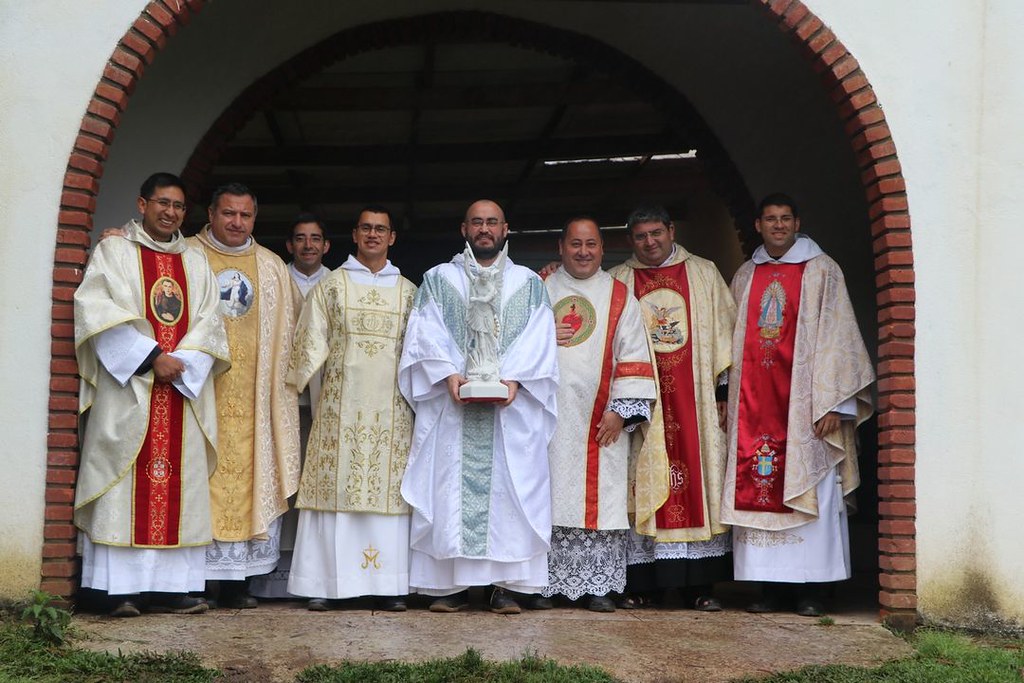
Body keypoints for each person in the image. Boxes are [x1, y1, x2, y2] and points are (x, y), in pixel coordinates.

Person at [73, 172, 229, 617]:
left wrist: (182, 363)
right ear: (143, 204)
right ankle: (119, 590)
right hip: (130, 392)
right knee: (123, 486)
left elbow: (210, 322)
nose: (171, 212)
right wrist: (149, 358)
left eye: (179, 206)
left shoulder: (195, 260)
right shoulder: (115, 251)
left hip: (182, 390)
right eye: (163, 203)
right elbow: (95, 310)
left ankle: (172, 589)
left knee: (180, 486)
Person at [398, 199, 559, 614]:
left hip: (511, 409)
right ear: (463, 229)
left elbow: (540, 340)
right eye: (477, 223)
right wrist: (448, 374)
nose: (484, 229)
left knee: (511, 494)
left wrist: (516, 381)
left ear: (506, 229)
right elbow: (424, 336)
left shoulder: (529, 283)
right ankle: (447, 587)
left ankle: (506, 587)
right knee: (448, 491)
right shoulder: (438, 279)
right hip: (454, 408)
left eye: (492, 222)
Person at [720, 192, 874, 617]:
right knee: (758, 485)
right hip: (754, 406)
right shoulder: (746, 275)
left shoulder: (822, 270)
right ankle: (768, 590)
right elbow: (729, 341)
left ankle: (814, 591)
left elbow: (839, 337)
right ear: (758, 225)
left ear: (797, 222)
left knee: (813, 489)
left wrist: (834, 404)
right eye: (770, 219)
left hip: (806, 410)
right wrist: (724, 395)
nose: (778, 226)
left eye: (786, 219)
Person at [287, 206, 416, 611]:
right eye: (366, 229)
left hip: (392, 414)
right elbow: (308, 344)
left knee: (388, 494)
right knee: (337, 492)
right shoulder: (331, 287)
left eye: (381, 229)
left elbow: (421, 354)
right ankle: (326, 585)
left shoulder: (409, 291)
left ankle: (390, 585)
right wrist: (289, 392)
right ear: (355, 236)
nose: (374, 235)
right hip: (338, 413)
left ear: (392, 237)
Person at [607, 205, 736, 611]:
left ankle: (701, 586)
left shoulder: (703, 272)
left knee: (699, 478)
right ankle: (644, 584)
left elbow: (725, 333)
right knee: (641, 477)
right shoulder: (618, 279)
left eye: (655, 233)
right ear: (631, 240)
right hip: (643, 405)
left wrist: (722, 393)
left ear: (671, 230)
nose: (649, 242)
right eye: (641, 236)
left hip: (693, 398)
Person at [188, 183, 302, 609]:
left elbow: (295, 334)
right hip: (198, 396)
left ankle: (238, 582)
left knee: (253, 478)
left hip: (257, 401)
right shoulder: (187, 256)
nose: (237, 223)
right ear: (211, 213)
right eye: (228, 214)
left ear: (255, 218)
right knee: (198, 476)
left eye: (245, 215)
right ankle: (193, 579)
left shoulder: (272, 267)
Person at [540, 217, 657, 612]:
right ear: (561, 247)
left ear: (603, 249)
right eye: (575, 244)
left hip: (600, 421)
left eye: (591, 244)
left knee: (600, 495)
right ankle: (545, 584)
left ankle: (597, 587)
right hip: (547, 418)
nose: (583, 252)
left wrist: (621, 412)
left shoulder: (621, 295)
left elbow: (635, 354)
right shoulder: (540, 289)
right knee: (547, 494)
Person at [249, 213, 331, 600]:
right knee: (280, 480)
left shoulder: (337, 283)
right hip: (278, 399)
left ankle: (312, 564)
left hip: (325, 402)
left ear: (327, 246)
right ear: (289, 245)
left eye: (316, 239)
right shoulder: (273, 278)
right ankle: (272, 566)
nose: (308, 245)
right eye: (300, 238)